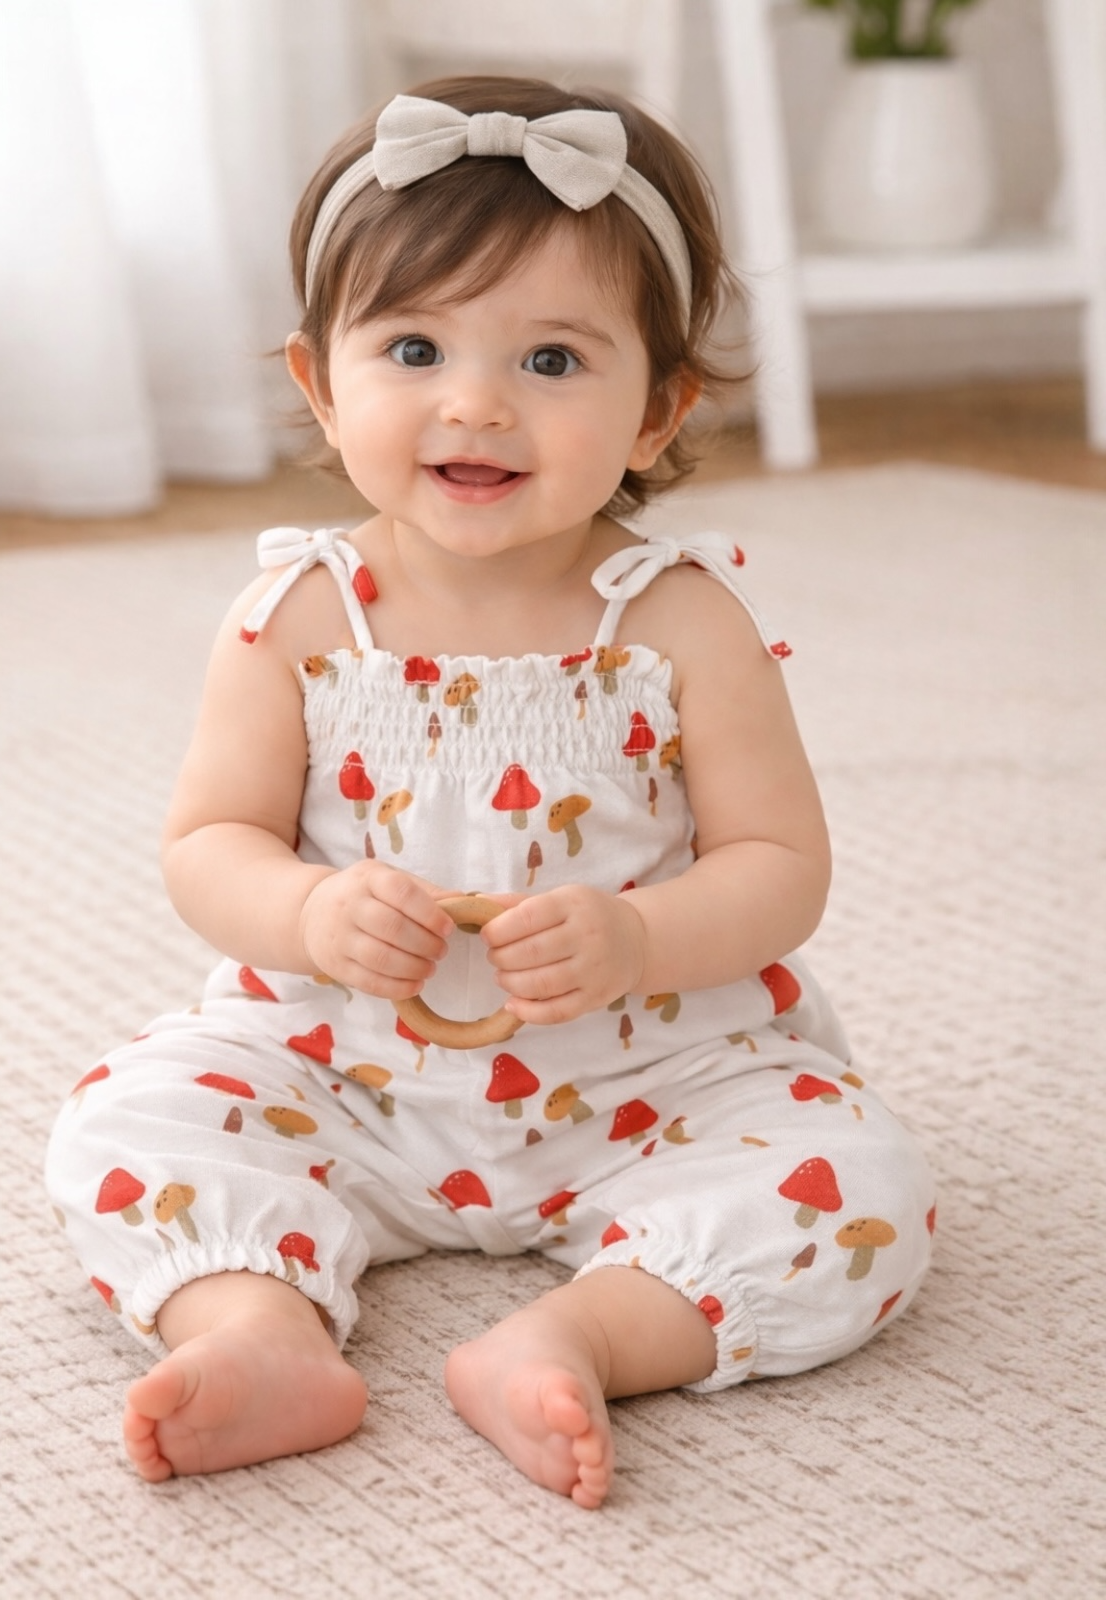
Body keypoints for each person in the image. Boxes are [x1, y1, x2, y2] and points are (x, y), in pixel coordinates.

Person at [45, 74, 934, 1510]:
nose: (476, 404)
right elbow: (208, 843)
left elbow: (782, 866)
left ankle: (573, 1337)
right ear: (320, 387)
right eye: (413, 347)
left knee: (864, 1191)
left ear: (660, 413)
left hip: (651, 1081)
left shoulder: (681, 619)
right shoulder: (300, 614)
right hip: (346, 1073)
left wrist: (640, 938)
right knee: (122, 1121)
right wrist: (314, 908)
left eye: (555, 362)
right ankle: (260, 1327)